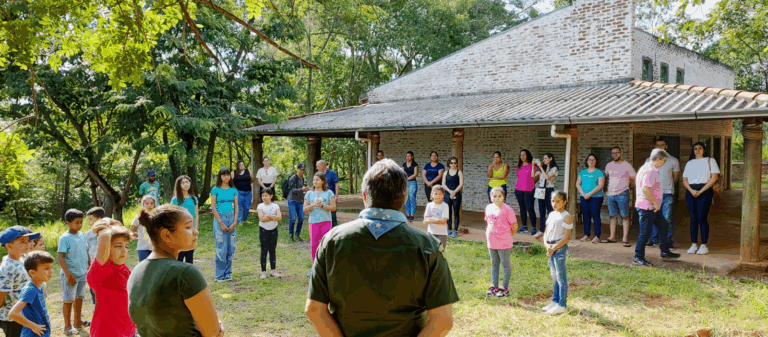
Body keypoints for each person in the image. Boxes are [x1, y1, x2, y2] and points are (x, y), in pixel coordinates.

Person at [305, 159, 458, 336]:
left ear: (364, 196)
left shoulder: (331, 241)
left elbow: (314, 310)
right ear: (405, 196)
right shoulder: (428, 246)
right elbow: (443, 320)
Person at [128, 205, 224, 337]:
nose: (196, 232)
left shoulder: (136, 271)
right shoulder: (185, 273)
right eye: (188, 227)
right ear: (166, 235)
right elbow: (212, 332)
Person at [86, 220, 135, 337]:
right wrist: (105, 228)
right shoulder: (102, 271)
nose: (124, 250)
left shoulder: (124, 269)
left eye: (126, 246)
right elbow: (104, 240)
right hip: (107, 332)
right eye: (118, 246)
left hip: (128, 330)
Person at [633, 149, 681, 267]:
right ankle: (638, 256)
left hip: (652, 206)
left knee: (663, 226)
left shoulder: (647, 168)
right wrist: (655, 204)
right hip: (647, 207)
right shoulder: (650, 171)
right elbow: (646, 189)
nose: (664, 163)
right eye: (664, 161)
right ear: (658, 159)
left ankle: (664, 251)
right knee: (645, 232)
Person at [0, 226, 39, 337]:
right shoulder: (7, 268)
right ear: (9, 246)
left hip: (25, 315)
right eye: (22, 242)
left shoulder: (22, 258)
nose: (27, 244)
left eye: (28, 241)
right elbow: (1, 295)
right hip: (13, 319)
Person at [683, 142, 720, 255]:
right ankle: (694, 244)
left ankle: (704, 244)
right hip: (691, 191)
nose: (697, 150)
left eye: (700, 148)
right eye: (695, 148)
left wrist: (701, 191)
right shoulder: (689, 163)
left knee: (702, 217)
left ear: (704, 150)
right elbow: (685, 180)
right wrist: (691, 190)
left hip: (705, 189)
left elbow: (714, 178)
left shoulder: (710, 160)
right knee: (693, 218)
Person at [57, 209, 90, 335]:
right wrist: (68, 274)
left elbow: (86, 251)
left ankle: (78, 321)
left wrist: (90, 265)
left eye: (81, 222)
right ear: (68, 223)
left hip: (82, 273)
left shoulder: (82, 235)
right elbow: (61, 258)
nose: (80, 225)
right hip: (70, 275)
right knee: (68, 300)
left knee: (79, 298)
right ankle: (67, 326)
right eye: (77, 222)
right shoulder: (65, 238)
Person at [8, 251, 53, 337]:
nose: (51, 271)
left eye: (51, 267)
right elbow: (13, 313)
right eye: (46, 268)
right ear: (32, 273)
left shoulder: (40, 287)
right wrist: (33, 326)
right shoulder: (30, 290)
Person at [542, 191, 573, 315]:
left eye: (558, 201)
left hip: (559, 248)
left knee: (561, 277)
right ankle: (554, 301)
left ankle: (562, 304)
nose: (554, 203)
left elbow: (566, 237)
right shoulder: (551, 215)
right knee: (554, 276)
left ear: (564, 202)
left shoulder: (566, 216)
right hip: (550, 247)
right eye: (553, 201)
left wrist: (554, 247)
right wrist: (547, 246)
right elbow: (546, 232)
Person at [484, 186, 517, 298]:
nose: (497, 198)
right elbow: (488, 223)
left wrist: (508, 236)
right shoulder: (488, 208)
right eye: (494, 196)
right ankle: (494, 286)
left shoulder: (508, 209)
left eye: (499, 196)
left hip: (504, 241)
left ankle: (504, 288)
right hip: (491, 241)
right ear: (490, 197)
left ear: (504, 197)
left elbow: (514, 226)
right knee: (494, 263)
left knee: (505, 264)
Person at [648, 139, 681, 248]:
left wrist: (669, 186)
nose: (660, 147)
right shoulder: (649, 160)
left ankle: (667, 241)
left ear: (666, 146)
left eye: (662, 145)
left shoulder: (673, 160)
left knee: (666, 218)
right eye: (657, 145)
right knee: (653, 217)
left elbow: (676, 176)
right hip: (653, 194)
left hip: (667, 193)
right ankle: (654, 239)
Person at [304, 172, 337, 274]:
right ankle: (314, 268)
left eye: (317, 180)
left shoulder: (329, 193)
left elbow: (333, 207)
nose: (315, 182)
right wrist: (313, 204)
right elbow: (305, 209)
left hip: (326, 222)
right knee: (314, 245)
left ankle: (326, 267)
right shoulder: (309, 194)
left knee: (326, 244)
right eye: (314, 180)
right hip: (313, 222)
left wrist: (323, 206)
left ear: (323, 181)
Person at [603, 147, 636, 246]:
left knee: (625, 216)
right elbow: (606, 178)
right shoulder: (609, 165)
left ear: (621, 153)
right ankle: (612, 237)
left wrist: (629, 187)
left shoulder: (627, 165)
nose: (615, 155)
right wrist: (605, 190)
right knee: (612, 216)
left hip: (623, 193)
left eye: (617, 152)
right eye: (613, 153)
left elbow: (634, 178)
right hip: (610, 194)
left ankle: (625, 238)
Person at [211, 168, 239, 282]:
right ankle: (219, 275)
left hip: (231, 217)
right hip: (219, 218)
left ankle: (228, 274)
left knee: (230, 247)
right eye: (224, 175)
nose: (226, 177)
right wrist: (221, 223)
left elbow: (236, 207)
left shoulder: (233, 190)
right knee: (221, 246)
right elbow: (213, 207)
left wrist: (235, 221)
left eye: (228, 175)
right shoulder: (215, 190)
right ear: (220, 176)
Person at [576, 154, 605, 244]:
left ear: (596, 161)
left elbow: (601, 185)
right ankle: (587, 235)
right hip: (584, 197)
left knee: (595, 216)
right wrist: (584, 194)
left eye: (593, 160)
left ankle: (597, 236)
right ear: (587, 161)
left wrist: (589, 194)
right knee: (586, 216)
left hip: (596, 197)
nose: (592, 161)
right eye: (590, 159)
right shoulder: (582, 172)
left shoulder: (599, 172)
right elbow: (577, 184)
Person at [171, 175, 199, 263]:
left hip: (191, 231)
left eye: (187, 182)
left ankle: (188, 276)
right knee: (179, 257)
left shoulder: (194, 199)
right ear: (179, 185)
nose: (185, 184)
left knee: (189, 257)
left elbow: (196, 215)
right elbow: (172, 216)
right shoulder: (175, 200)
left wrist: (195, 229)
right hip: (180, 232)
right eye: (183, 182)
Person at [84, 207, 107, 306]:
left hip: (106, 264)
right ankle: (97, 305)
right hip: (93, 265)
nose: (88, 221)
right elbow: (86, 250)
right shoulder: (88, 235)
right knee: (94, 286)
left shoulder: (108, 232)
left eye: (90, 219)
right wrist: (88, 264)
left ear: (99, 220)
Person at [257, 188, 282, 279]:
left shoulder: (275, 206)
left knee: (272, 249)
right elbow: (261, 219)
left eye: (266, 196)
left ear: (271, 196)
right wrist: (273, 217)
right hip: (263, 230)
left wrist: (269, 216)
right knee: (264, 250)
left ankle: (273, 270)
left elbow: (279, 217)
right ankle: (263, 271)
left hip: (273, 229)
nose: (264, 197)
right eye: (263, 196)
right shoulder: (260, 206)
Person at [534, 153, 559, 239]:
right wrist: (533, 166)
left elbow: (547, 177)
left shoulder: (554, 169)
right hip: (541, 190)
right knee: (541, 211)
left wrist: (540, 167)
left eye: (545, 158)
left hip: (548, 190)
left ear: (550, 158)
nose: (543, 160)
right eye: (543, 158)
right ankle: (541, 230)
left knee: (550, 211)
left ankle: (551, 230)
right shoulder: (543, 168)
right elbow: (532, 176)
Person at [515, 149, 538, 234]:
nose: (522, 157)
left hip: (529, 190)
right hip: (519, 190)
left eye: (524, 155)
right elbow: (519, 177)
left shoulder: (532, 165)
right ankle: (524, 226)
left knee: (530, 208)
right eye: (521, 155)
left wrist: (531, 183)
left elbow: (536, 176)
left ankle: (533, 227)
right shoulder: (519, 166)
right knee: (522, 208)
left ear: (527, 155)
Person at [130, 195, 157, 263]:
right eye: (147, 203)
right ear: (143, 205)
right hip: (142, 248)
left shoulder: (157, 216)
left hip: (155, 248)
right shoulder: (139, 217)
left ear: (154, 204)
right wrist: (136, 235)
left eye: (151, 203)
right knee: (144, 268)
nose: (149, 205)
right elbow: (131, 231)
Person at [287, 163, 310, 242]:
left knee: (301, 218)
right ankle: (291, 235)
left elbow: (301, 188)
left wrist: (305, 189)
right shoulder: (293, 178)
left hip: (300, 201)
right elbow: (292, 190)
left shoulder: (302, 178)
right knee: (292, 218)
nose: (302, 171)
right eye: (301, 169)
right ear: (298, 169)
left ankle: (297, 234)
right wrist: (302, 190)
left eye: (303, 170)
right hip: (292, 200)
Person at [442, 157, 464, 238]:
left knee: (456, 212)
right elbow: (443, 184)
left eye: (455, 163)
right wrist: (450, 192)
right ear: (449, 164)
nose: (453, 164)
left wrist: (454, 192)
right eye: (451, 163)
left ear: (457, 163)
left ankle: (455, 230)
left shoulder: (459, 172)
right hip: (448, 194)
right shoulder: (445, 173)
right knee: (448, 212)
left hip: (456, 194)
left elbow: (461, 184)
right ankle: (449, 229)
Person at [424, 185, 449, 252]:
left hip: (442, 234)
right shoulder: (429, 205)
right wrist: (438, 220)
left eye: (440, 194)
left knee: (440, 252)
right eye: (435, 194)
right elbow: (425, 221)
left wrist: (431, 219)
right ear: (432, 195)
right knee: (430, 252)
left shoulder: (445, 206)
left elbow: (443, 221)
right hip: (431, 233)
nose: (438, 196)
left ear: (443, 195)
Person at [316, 160, 340, 227]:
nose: (317, 168)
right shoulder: (319, 175)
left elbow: (337, 185)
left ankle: (334, 231)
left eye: (318, 166)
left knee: (332, 216)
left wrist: (336, 196)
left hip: (331, 198)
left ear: (322, 165)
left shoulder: (331, 173)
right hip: (322, 198)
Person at [403, 151, 419, 221]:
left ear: (412, 157)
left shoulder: (415, 165)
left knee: (412, 197)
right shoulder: (404, 164)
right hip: (405, 183)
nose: (408, 157)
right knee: (406, 198)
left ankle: (412, 214)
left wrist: (407, 179)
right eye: (407, 156)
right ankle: (407, 214)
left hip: (412, 182)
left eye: (409, 156)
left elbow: (415, 174)